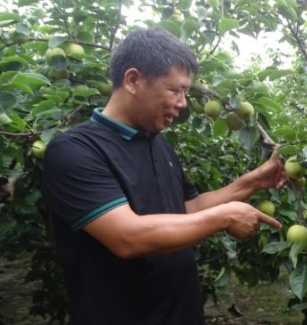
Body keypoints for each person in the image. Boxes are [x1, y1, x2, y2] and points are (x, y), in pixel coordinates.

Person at [41, 27, 287, 325]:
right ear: (133, 80)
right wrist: (224, 218)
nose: (183, 103)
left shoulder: (159, 143)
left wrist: (256, 180)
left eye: (186, 92)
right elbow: (127, 236)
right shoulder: (75, 151)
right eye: (175, 90)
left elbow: (189, 209)